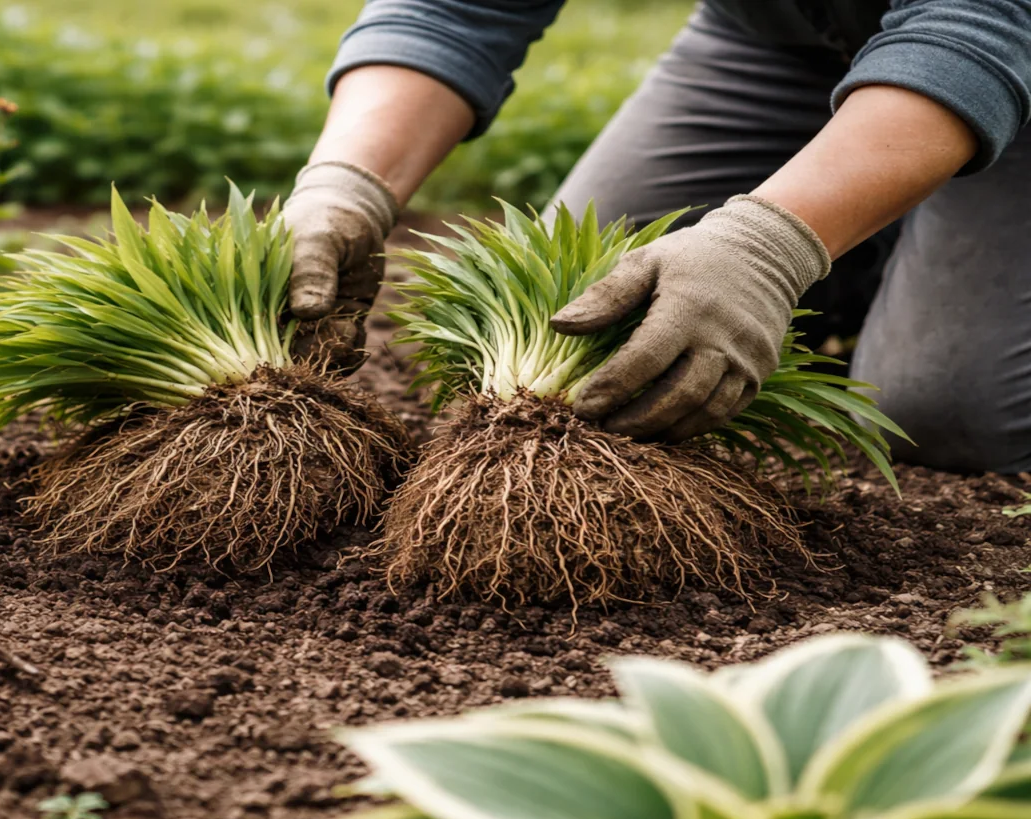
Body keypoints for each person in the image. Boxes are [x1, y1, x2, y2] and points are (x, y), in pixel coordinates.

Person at [283, 0, 1031, 472]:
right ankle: (875, 240)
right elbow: (450, 10)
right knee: (589, 295)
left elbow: (977, 32)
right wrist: (346, 182)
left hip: (999, 33)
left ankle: (887, 233)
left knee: (945, 413)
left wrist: (767, 250)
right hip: (784, 34)